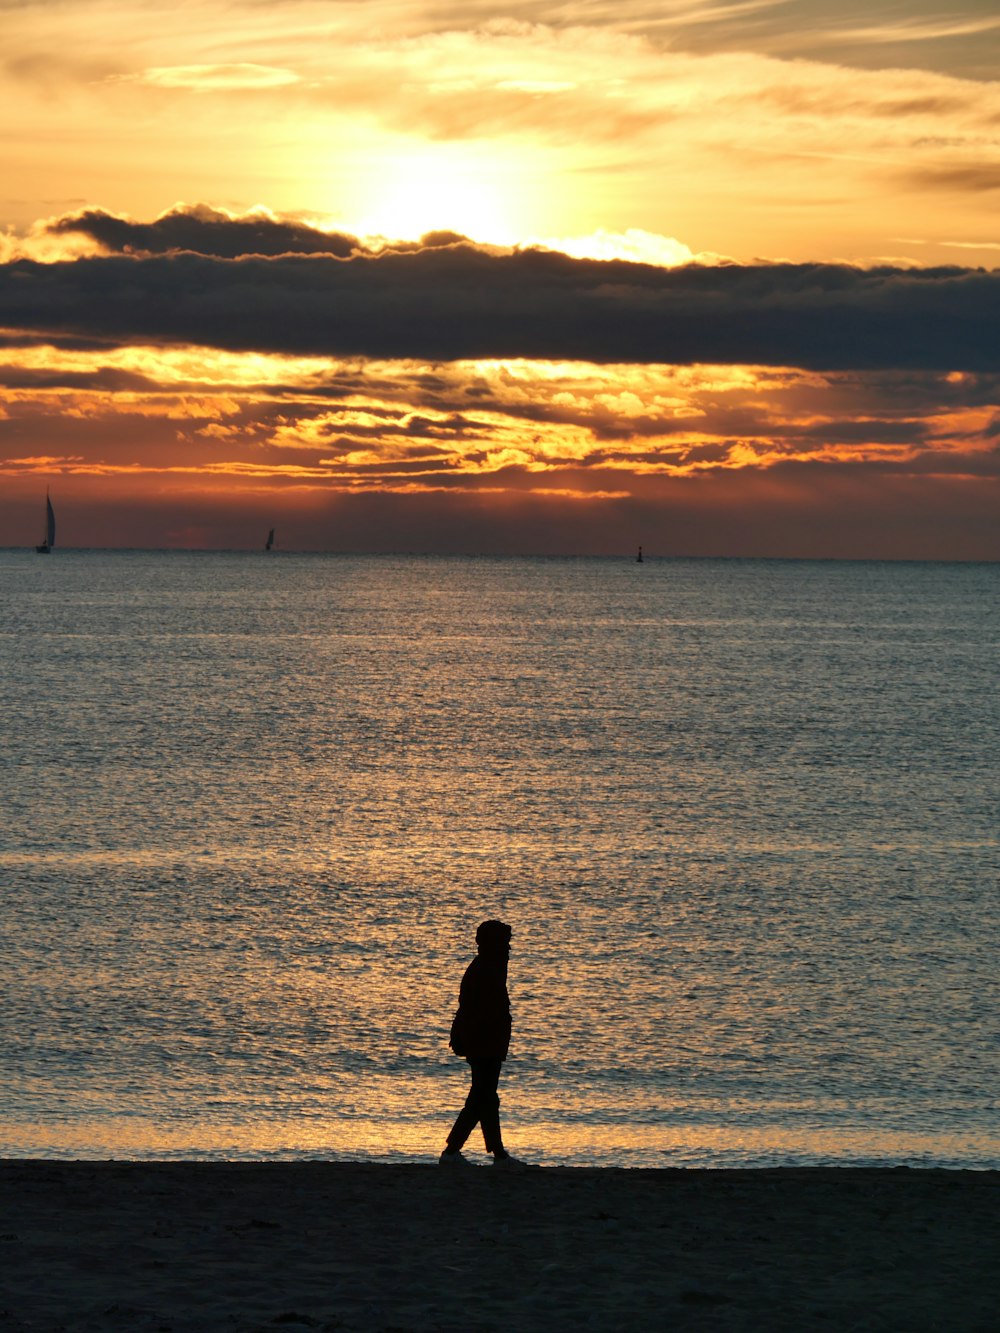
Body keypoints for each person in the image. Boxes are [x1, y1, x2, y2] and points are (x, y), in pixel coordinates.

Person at [440, 918, 527, 1168]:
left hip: (487, 1042)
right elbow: (474, 1009)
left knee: (486, 1097)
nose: (508, 949)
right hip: (483, 1043)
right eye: (504, 943)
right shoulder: (485, 969)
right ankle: (454, 1151)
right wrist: (468, 1038)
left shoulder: (488, 967)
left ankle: (496, 1154)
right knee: (482, 1096)